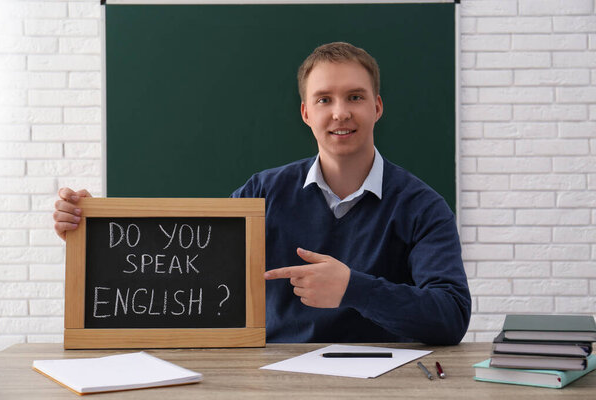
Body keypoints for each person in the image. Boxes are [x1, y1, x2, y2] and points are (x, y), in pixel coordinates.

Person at [54, 42, 471, 345]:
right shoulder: (261, 193)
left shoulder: (422, 206)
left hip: (386, 380)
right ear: (307, 113)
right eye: (324, 99)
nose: (340, 112)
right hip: (270, 374)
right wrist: (91, 233)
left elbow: (450, 317)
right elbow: (187, 269)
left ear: (377, 107)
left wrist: (353, 288)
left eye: (355, 97)